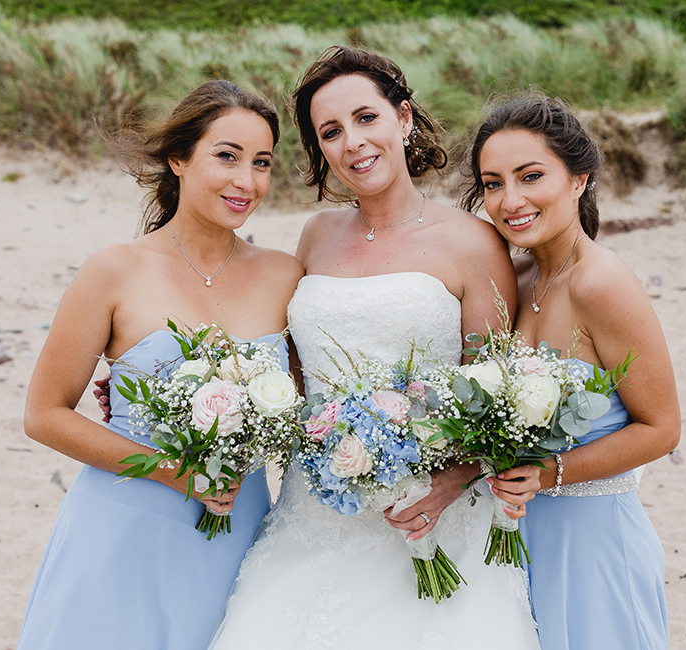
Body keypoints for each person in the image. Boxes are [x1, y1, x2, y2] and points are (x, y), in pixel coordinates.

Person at [208, 47, 542, 648]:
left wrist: (446, 483)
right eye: (330, 131)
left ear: (404, 118)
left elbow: (496, 391)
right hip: (314, 510)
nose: (352, 143)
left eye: (366, 118)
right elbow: (290, 367)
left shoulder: (472, 242)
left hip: (431, 511)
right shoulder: (315, 235)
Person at [18, 80, 303, 649]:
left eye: (262, 163)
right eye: (227, 156)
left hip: (236, 528)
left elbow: (305, 407)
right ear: (179, 158)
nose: (247, 181)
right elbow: (44, 415)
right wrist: (176, 471)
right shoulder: (114, 271)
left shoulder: (284, 276)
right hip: (125, 522)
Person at [464, 95, 680, 650]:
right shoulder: (516, 281)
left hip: (595, 540)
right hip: (520, 535)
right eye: (492, 183)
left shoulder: (600, 284)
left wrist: (548, 473)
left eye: (530, 176)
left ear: (579, 178)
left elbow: (661, 429)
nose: (510, 200)